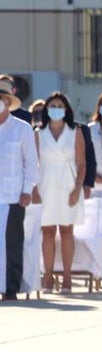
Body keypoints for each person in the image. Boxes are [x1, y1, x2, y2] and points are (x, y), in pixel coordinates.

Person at [35, 92, 87, 293]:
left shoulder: (75, 131)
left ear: (66, 110)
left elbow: (82, 164)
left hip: (68, 184)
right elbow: (33, 164)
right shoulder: (38, 133)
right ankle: (48, 277)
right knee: (47, 231)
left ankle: (67, 278)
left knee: (66, 231)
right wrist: (34, 189)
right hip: (45, 185)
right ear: (46, 109)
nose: (56, 109)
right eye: (52, 106)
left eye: (59, 106)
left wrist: (77, 189)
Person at [0, 77, 39, 300]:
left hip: (13, 195)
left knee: (12, 243)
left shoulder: (22, 129)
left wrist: (27, 190)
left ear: (8, 101)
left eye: (2, 98)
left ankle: (11, 288)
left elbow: (31, 162)